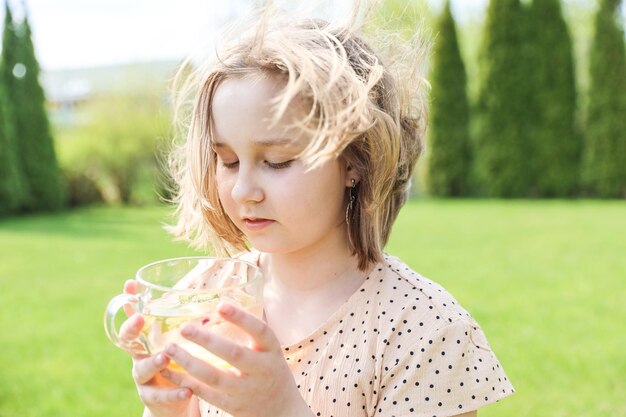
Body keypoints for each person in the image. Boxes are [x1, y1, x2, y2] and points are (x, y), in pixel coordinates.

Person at [119, 8, 514, 417]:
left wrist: (281, 410)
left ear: (354, 162)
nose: (243, 190)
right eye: (229, 161)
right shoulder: (204, 295)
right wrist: (169, 409)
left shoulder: (423, 329)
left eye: (277, 161)